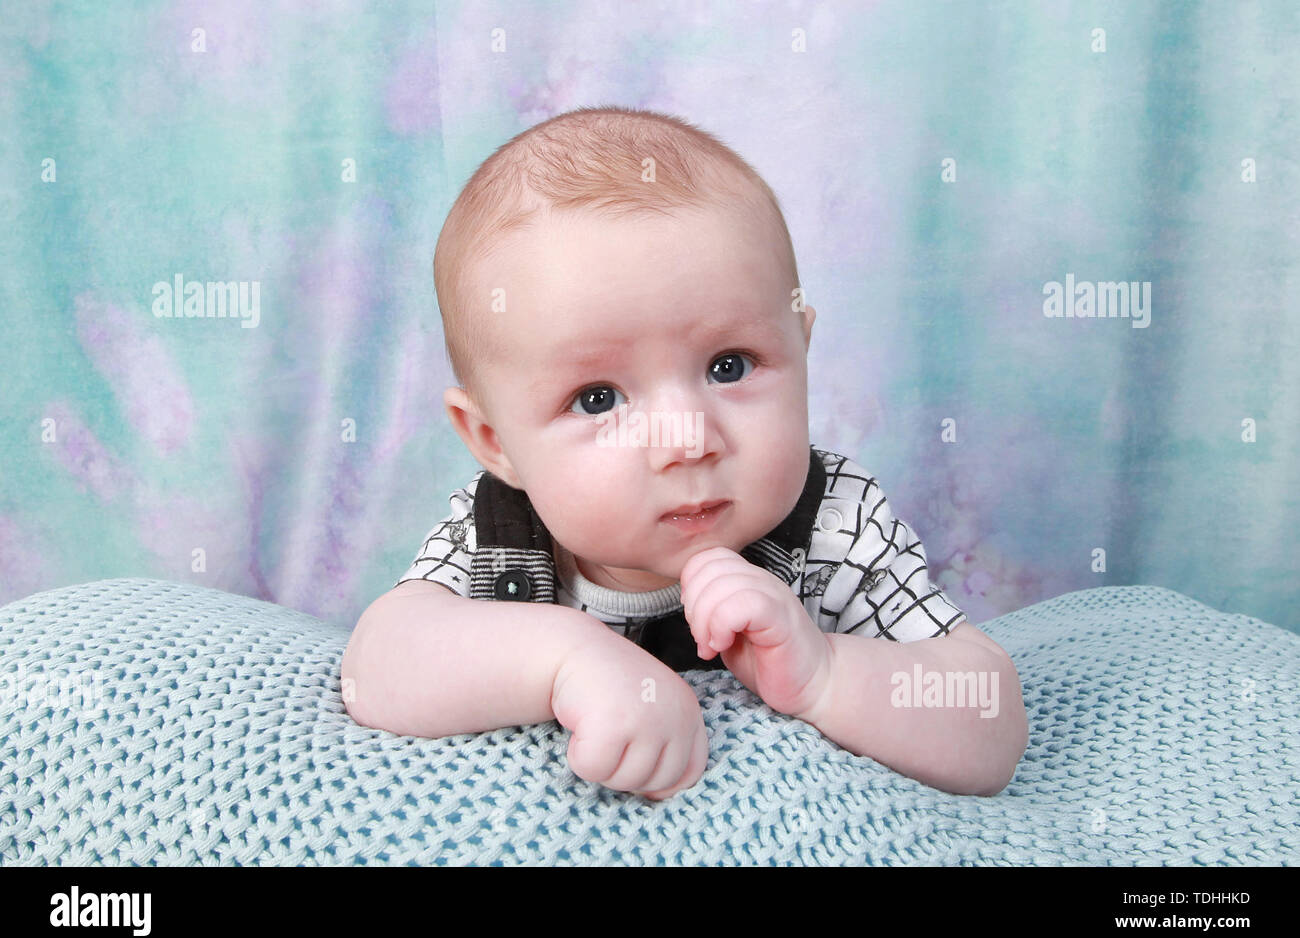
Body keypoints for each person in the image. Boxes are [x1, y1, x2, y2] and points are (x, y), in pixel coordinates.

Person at [342, 106, 1027, 801]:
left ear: (801, 349)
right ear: (496, 444)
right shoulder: (499, 532)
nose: (687, 440)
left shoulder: (834, 526)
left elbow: (990, 718)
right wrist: (565, 661)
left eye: (730, 366)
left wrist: (825, 673)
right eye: (598, 399)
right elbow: (375, 667)